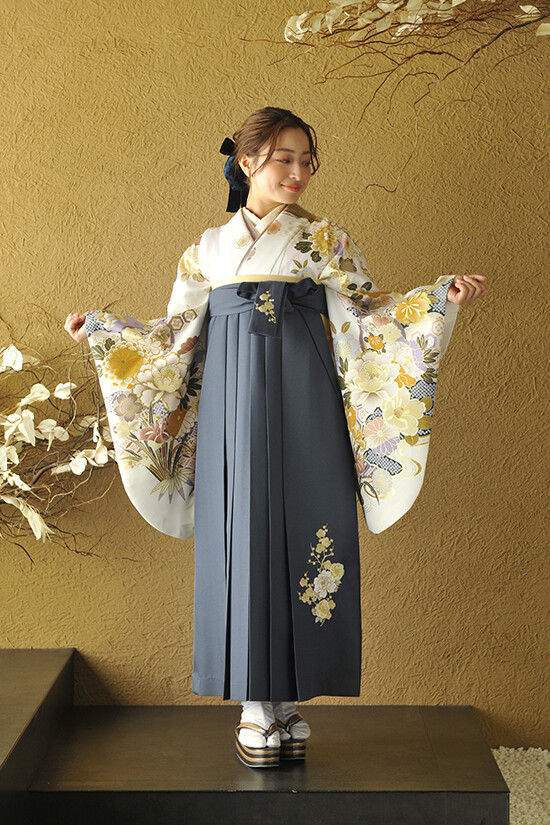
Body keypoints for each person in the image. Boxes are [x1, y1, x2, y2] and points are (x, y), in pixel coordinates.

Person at [64, 107, 488, 769]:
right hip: (230, 408)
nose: (298, 172)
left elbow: (370, 317)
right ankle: (254, 704)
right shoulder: (207, 249)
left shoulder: (325, 240)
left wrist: (439, 302)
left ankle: (287, 700)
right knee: (242, 531)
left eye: (306, 161)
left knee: (308, 523)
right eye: (284, 158)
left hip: (305, 395)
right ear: (246, 161)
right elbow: (174, 336)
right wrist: (105, 332)